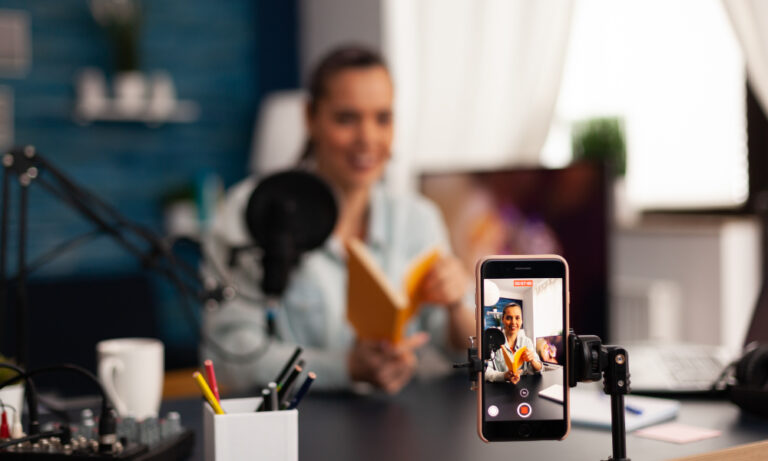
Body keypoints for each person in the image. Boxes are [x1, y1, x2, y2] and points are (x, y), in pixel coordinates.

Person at [202, 46, 475, 394]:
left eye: (382, 118)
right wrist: (343, 367)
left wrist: (455, 306)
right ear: (310, 118)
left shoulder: (417, 219)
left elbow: (460, 348)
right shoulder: (253, 211)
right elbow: (232, 358)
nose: (368, 138)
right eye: (347, 118)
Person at [485, 303, 542, 383]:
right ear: (503, 319)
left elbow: (540, 368)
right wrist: (505, 376)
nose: (513, 322)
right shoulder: (493, 343)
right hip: (500, 390)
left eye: (517, 318)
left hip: (524, 388)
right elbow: (486, 373)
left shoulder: (527, 342)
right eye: (509, 318)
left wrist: (532, 360)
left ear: (521, 321)